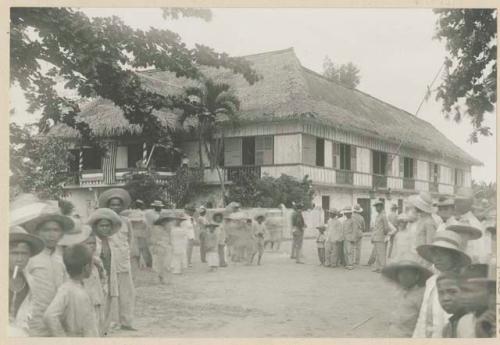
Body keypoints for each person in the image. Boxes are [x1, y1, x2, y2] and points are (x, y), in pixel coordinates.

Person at [22, 205, 75, 336]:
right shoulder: (29, 257)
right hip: (34, 321)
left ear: (61, 233)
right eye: (46, 230)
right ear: (37, 232)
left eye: (56, 230)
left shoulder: (61, 257)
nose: (51, 234)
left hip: (57, 319)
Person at [412, 230, 472, 338]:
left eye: (443, 254)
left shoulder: (461, 285)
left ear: (454, 257)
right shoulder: (431, 282)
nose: (437, 258)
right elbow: (423, 317)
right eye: (435, 254)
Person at [98, 188, 137, 331]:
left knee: (127, 291)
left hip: (124, 259)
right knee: (111, 291)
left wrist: (133, 257)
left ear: (122, 206)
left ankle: (127, 321)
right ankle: (112, 321)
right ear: (107, 206)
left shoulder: (126, 221)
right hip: (109, 259)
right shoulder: (104, 221)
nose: (115, 207)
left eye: (118, 204)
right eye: (112, 205)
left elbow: (130, 239)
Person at [43, 244, 99, 337]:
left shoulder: (84, 286)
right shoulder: (66, 289)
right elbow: (49, 316)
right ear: (86, 267)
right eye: (92, 264)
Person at [87, 207, 123, 334]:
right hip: (94, 278)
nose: (105, 228)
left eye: (108, 226)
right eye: (102, 226)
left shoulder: (112, 241)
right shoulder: (91, 241)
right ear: (96, 227)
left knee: (107, 304)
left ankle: (104, 331)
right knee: (95, 305)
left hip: (109, 277)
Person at [9, 226, 45, 336]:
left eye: (24, 253)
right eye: (14, 253)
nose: (19, 259)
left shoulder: (31, 282)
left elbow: (31, 316)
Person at [382, 259, 432, 337]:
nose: (403, 277)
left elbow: (425, 323)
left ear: (417, 276)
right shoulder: (399, 292)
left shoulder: (421, 295)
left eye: (408, 274)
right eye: (401, 274)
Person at [454, 187, 489, 263]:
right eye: (456, 201)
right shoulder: (457, 220)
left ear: (469, 203)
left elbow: (480, 253)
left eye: (461, 201)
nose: (457, 204)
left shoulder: (473, 223)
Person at [436, 272, 467, 338]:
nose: (445, 298)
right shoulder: (447, 328)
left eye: (452, 292)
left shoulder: (474, 323)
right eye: (441, 293)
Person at [371, 199, 390, 273]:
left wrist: (384, 235)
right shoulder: (378, 215)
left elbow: (386, 227)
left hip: (381, 237)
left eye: (377, 206)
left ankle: (382, 267)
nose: (376, 208)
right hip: (377, 237)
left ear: (381, 207)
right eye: (375, 207)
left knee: (381, 253)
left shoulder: (383, 215)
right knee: (378, 253)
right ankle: (378, 267)